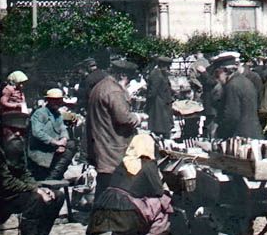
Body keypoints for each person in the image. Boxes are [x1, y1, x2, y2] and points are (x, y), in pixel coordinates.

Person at [87, 133, 172, 235]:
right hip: (125, 211)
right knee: (162, 202)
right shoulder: (148, 164)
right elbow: (158, 191)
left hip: (103, 206)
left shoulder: (123, 163)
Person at [0, 111, 68, 235]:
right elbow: (5, 182)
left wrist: (39, 187)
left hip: (11, 193)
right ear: (3, 129)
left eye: (21, 131)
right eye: (13, 130)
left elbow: (24, 172)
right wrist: (35, 190)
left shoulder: (16, 146)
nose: (18, 134)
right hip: (2, 196)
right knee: (35, 198)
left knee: (57, 196)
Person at [86, 59, 145, 200]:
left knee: (104, 188)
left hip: (101, 142)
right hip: (112, 146)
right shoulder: (114, 91)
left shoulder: (101, 86)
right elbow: (123, 118)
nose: (129, 84)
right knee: (112, 188)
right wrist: (138, 117)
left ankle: (100, 211)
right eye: (129, 80)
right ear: (123, 75)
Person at [27, 89, 77, 181]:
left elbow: (62, 128)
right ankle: (50, 179)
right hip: (41, 149)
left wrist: (63, 140)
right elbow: (37, 132)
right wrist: (55, 143)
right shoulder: (40, 113)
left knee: (71, 145)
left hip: (54, 147)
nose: (57, 102)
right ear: (48, 100)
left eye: (59, 100)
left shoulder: (57, 114)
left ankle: (53, 177)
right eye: (54, 100)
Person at [217, 57, 263, 140]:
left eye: (218, 73)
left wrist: (221, 134)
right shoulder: (246, 81)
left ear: (225, 71)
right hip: (253, 132)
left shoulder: (232, 86)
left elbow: (232, 116)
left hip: (240, 136)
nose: (217, 78)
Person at [146, 56, 174, 139]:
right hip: (158, 105)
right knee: (159, 126)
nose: (167, 68)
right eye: (166, 66)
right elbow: (153, 92)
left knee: (165, 126)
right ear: (161, 65)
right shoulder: (156, 74)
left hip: (164, 103)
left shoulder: (162, 74)